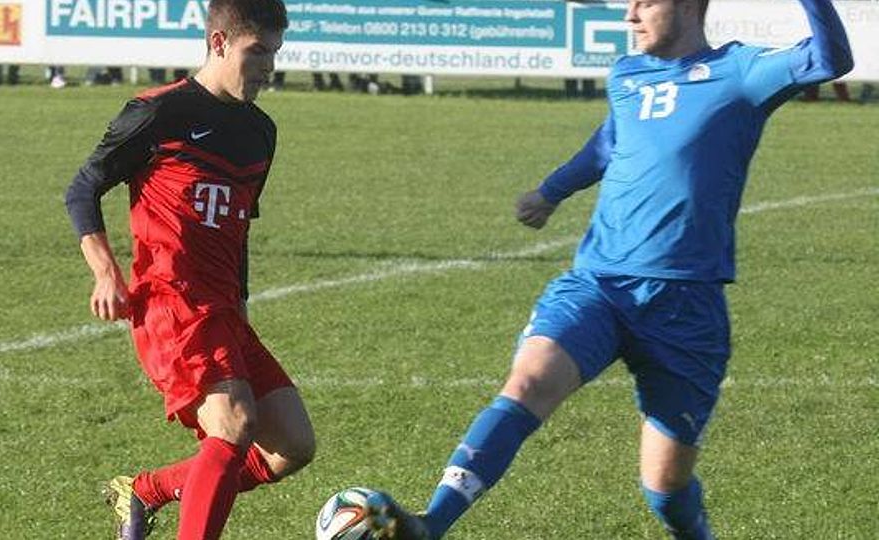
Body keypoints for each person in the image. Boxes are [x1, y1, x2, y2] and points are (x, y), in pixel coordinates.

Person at [363, 0, 852, 539]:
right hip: (598, 283)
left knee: (664, 488)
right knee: (528, 381)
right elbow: (609, 144)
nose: (630, 16)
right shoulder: (627, 74)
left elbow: (832, 59)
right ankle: (431, 523)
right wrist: (551, 191)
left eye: (645, 3)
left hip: (686, 308)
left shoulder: (742, 73)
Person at [63, 1, 315, 539]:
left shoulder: (261, 133)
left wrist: (242, 303)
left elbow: (239, 227)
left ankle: (146, 490)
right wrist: (105, 271)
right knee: (235, 425)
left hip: (222, 306)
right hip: (171, 301)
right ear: (220, 43)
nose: (269, 66)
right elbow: (83, 188)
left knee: (291, 445)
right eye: (258, 52)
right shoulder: (160, 112)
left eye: (275, 53)